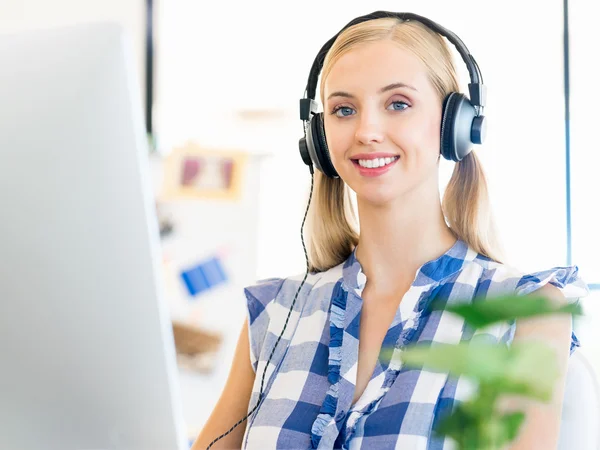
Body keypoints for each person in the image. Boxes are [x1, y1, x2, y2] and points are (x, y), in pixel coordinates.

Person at [193, 11, 589, 450]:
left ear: (453, 122)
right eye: (344, 110)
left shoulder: (526, 312)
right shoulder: (276, 314)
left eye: (398, 104)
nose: (366, 131)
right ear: (319, 139)